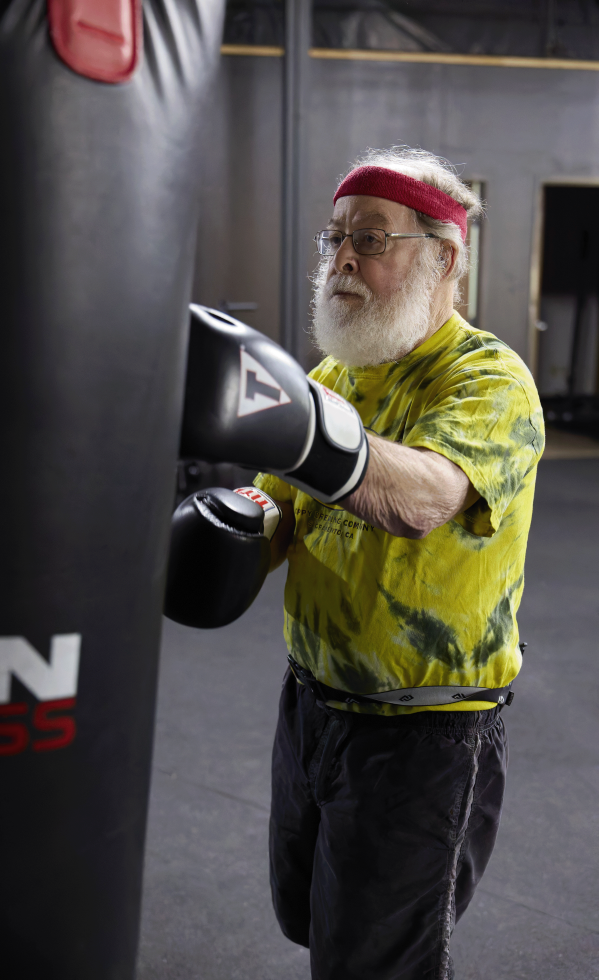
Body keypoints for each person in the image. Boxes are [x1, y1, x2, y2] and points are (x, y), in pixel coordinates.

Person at [252, 147, 545, 980]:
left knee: (378, 961)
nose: (342, 259)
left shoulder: (486, 380)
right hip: (311, 708)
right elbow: (271, 508)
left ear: (443, 256)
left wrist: (298, 428)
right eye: (334, 238)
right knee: (310, 919)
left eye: (371, 240)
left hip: (424, 732)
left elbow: (420, 499)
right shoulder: (335, 375)